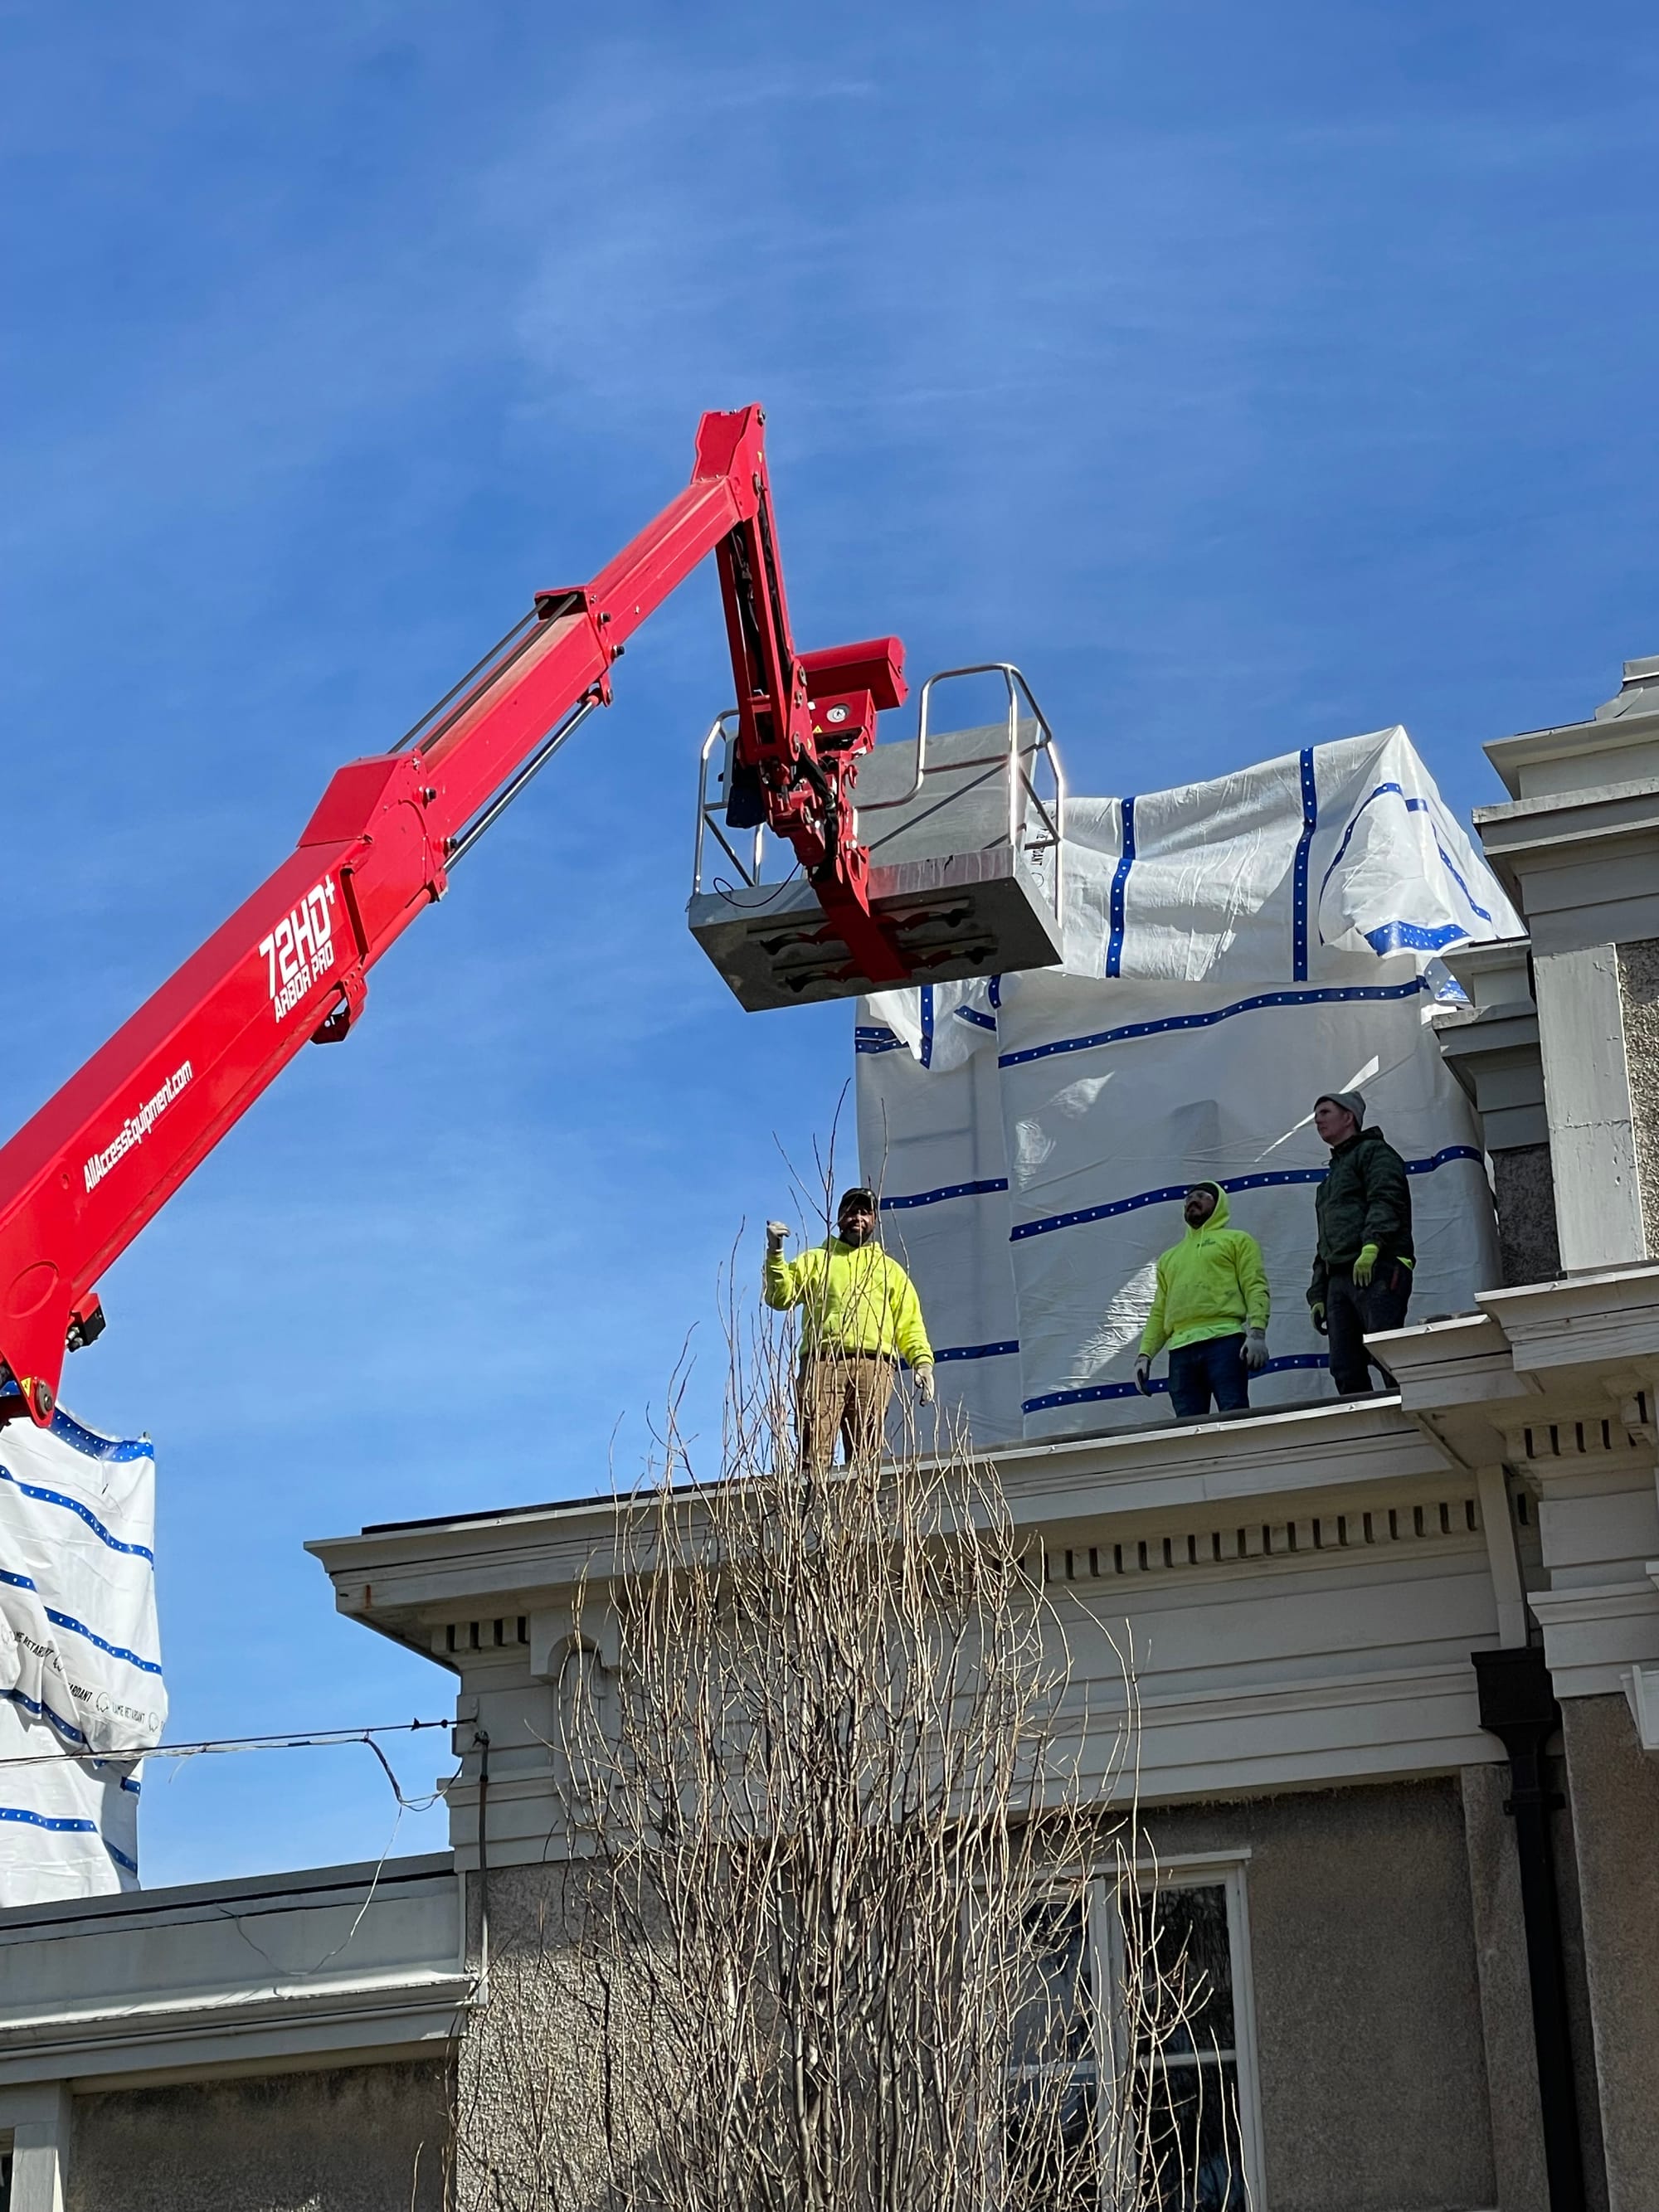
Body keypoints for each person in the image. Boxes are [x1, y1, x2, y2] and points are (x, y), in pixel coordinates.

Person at [763, 1188, 936, 1472]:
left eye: (865, 1212)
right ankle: (811, 1512)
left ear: (874, 1220)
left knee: (866, 1454)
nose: (858, 1217)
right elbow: (780, 1297)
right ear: (839, 1217)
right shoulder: (817, 1260)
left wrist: (923, 1362)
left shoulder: (889, 1270)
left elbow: (910, 1323)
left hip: (874, 1365)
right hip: (824, 1361)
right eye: (851, 1211)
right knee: (814, 1449)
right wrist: (775, 1253)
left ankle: (862, 1513)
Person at [1307, 1090, 1413, 1396]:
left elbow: (1386, 1200)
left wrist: (1372, 1247)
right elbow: (1325, 1240)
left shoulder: (1375, 1154)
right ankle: (1368, 1425)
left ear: (1349, 1117)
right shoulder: (1328, 1181)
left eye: (1325, 1112)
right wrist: (1318, 1293)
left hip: (1378, 1267)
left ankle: (1411, 1417)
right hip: (1339, 1278)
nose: (1318, 1120)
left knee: (1386, 1349)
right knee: (1344, 1365)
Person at [1134, 1183, 1270, 1419]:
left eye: (1201, 1196)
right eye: (1187, 1199)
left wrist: (1257, 1332)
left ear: (1218, 1204)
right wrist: (1145, 1354)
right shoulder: (1169, 1258)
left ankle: (1238, 1457)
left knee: (1233, 1415)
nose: (1192, 1201)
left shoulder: (1237, 1241)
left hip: (1225, 1341)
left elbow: (1255, 1285)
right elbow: (1160, 1310)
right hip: (1180, 1350)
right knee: (1187, 1426)